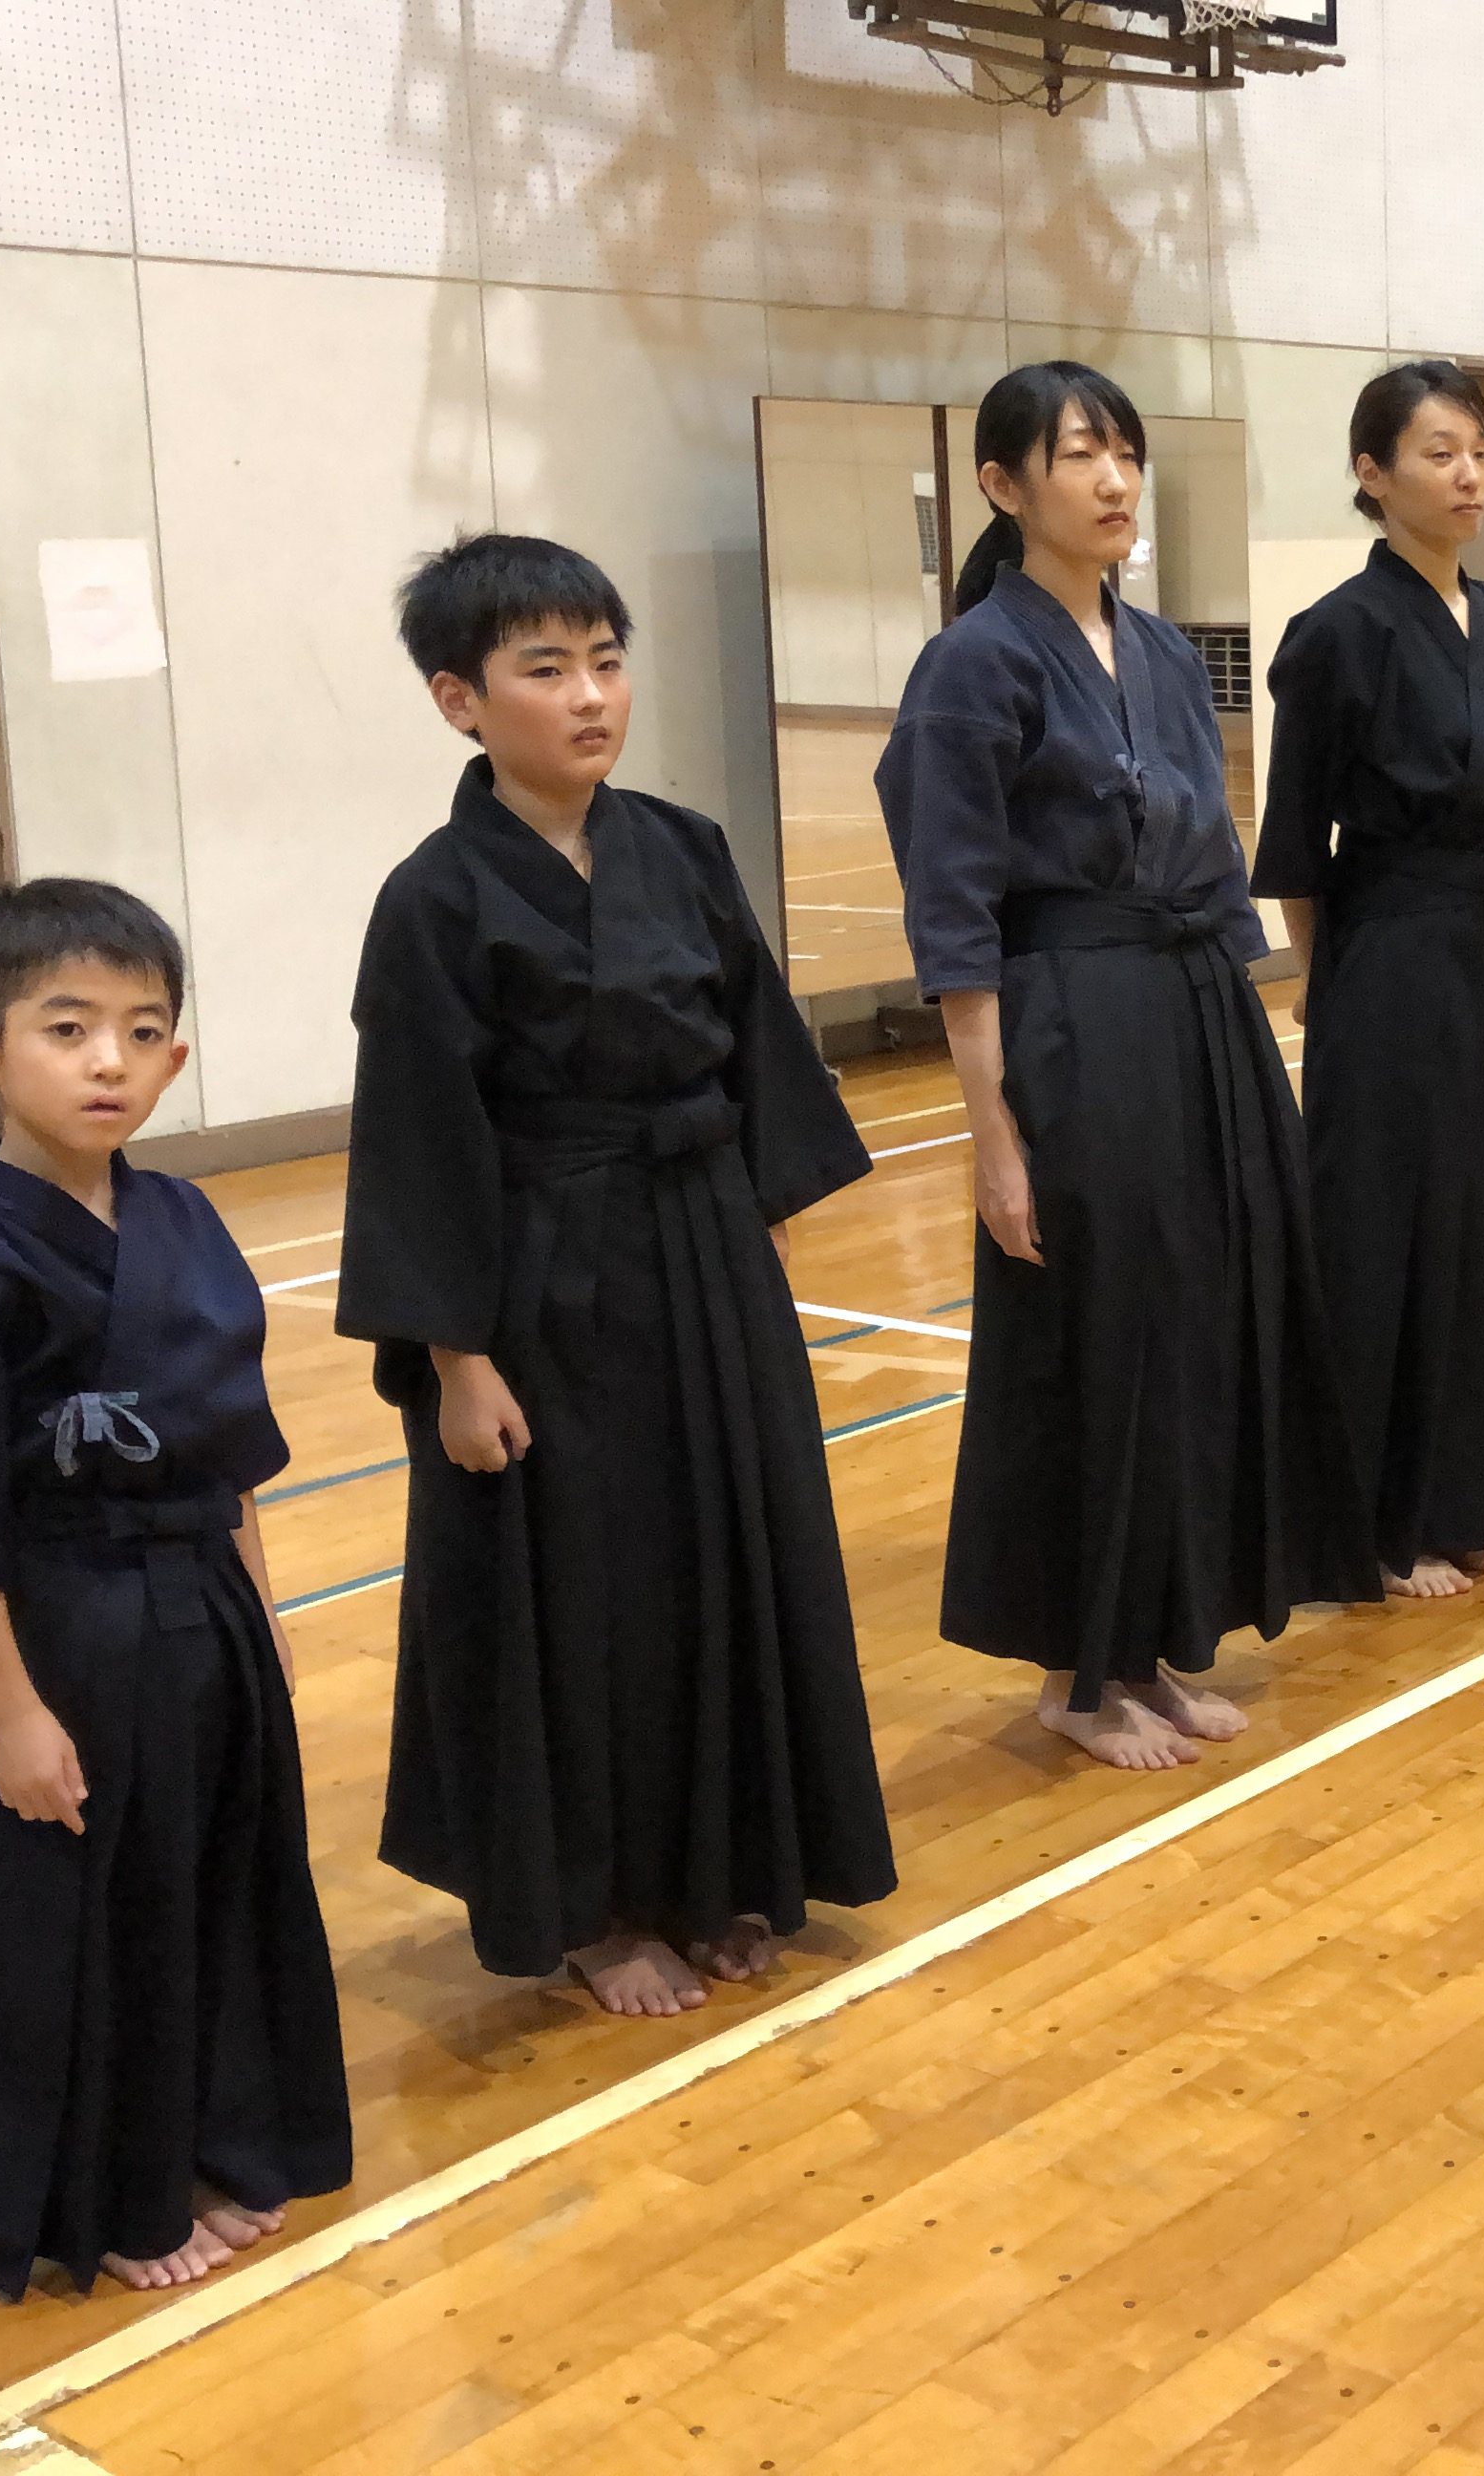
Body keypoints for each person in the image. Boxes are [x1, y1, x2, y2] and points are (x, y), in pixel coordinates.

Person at [340, 533, 895, 2018]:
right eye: (545, 669)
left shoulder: (682, 846)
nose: (590, 696)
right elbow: (417, 1138)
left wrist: (758, 1231)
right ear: (462, 700)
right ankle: (588, 1909)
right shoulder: (435, 899)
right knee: (580, 1589)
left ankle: (724, 1871)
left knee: (729, 1550)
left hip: (703, 1248)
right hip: (538, 1277)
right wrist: (455, 1359)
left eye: (606, 659)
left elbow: (754, 1037)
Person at [877, 360, 1379, 1770]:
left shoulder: (1160, 653)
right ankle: (1074, 1672)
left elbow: (1216, 855)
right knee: (1090, 1343)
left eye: (1124, 454)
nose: (1112, 482)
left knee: (1198, 1328)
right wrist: (994, 1137)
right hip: (1064, 1025)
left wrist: (1258, 1042)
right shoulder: (974, 662)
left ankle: (1157, 1640)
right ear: (1003, 486)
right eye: (1079, 455)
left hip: (1194, 1020)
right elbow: (955, 919)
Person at [0, 879, 350, 2297]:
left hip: (197, 1615)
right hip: (48, 1632)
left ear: (176, 1063)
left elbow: (232, 1455)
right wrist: (11, 1713)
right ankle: (107, 2202)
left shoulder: (188, 1221)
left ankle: (206, 2141)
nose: (106, 1062)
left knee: (198, 1895)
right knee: (65, 1935)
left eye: (142, 1033)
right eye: (66, 1028)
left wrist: (263, 1631)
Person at [1253, 361, 1484, 1597]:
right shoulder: (1336, 638)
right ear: (1373, 472)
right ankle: (1377, 1521)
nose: (1467, 476)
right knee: (1390, 1239)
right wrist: (1325, 985)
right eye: (1437, 452)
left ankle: (1470, 1497)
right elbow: (1298, 845)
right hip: (1393, 962)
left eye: (1479, 452)